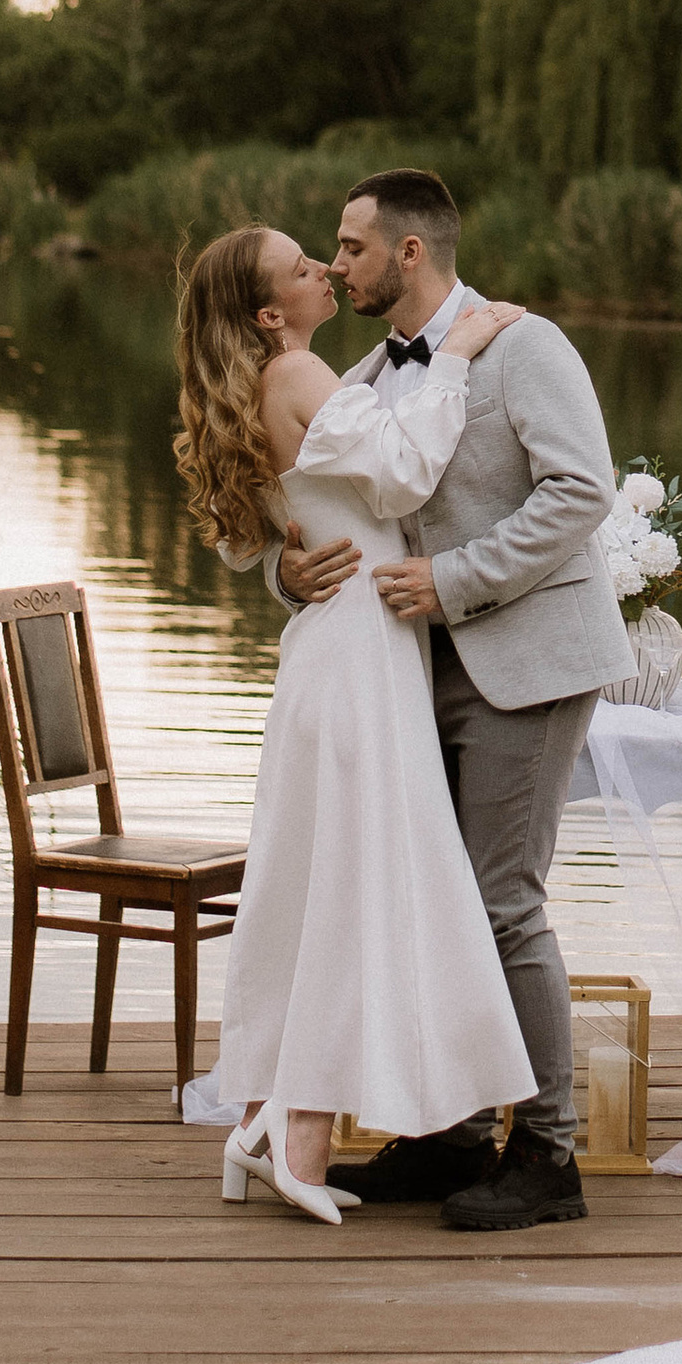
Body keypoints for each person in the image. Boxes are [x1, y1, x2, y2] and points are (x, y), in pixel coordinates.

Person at [232, 166, 633, 1231]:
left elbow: (582, 491)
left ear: (409, 252)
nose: (336, 266)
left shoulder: (524, 346)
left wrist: (455, 582)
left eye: (350, 247)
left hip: (525, 660)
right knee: (434, 900)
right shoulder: (362, 371)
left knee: (502, 901)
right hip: (411, 673)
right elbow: (333, 514)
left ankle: (547, 1155)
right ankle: (450, 1136)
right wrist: (287, 574)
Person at [173, 226, 534, 1224]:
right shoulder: (295, 371)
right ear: (268, 314)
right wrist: (459, 354)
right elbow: (406, 473)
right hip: (358, 656)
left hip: (335, 652)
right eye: (302, 268)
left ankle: (263, 1124)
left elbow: (248, 543)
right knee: (351, 888)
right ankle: (297, 1139)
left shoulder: (264, 384)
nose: (325, 270)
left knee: (316, 887)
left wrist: (288, 566)